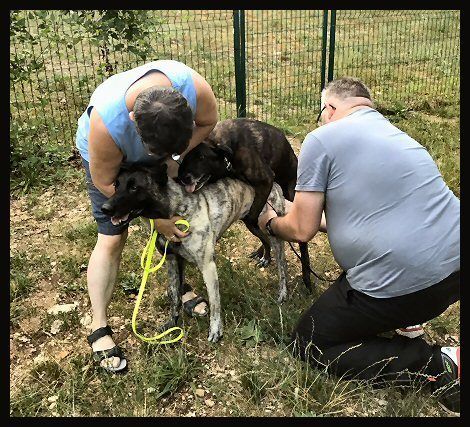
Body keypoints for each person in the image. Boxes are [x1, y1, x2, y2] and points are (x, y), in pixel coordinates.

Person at [258, 77, 460, 414]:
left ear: (331, 108)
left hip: (409, 282)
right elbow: (364, 218)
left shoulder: (322, 139)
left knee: (310, 343)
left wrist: (270, 222)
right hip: (453, 271)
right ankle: (407, 320)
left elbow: (301, 230)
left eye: (322, 115)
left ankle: (437, 364)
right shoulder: (399, 137)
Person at [75, 60, 218, 372]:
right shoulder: (107, 123)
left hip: (162, 149)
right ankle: (99, 327)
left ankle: (177, 285)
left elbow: (209, 121)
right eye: (156, 151)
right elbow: (106, 182)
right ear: (132, 121)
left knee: (175, 214)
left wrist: (174, 159)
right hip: (110, 163)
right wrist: (154, 216)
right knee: (113, 238)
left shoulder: (193, 87)